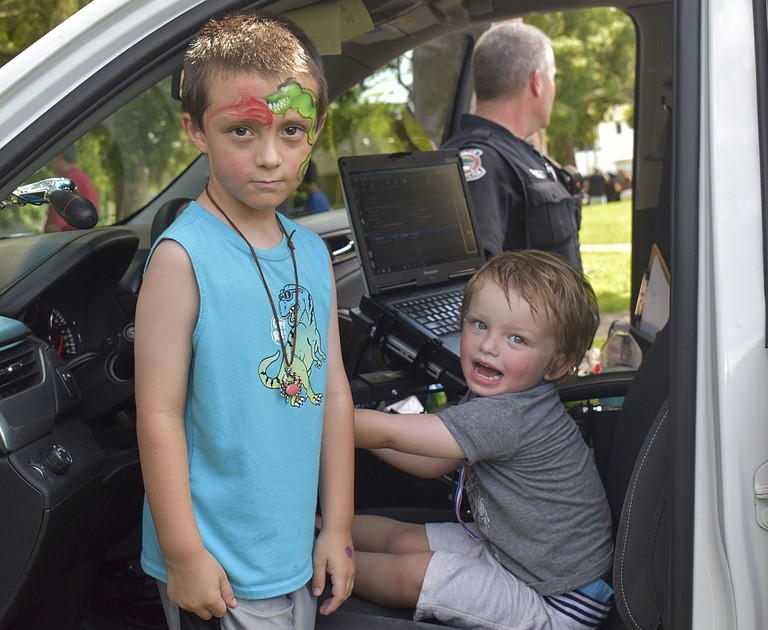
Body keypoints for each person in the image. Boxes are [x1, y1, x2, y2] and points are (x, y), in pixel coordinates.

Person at [134, 11, 355, 629]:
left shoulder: (310, 251)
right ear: (195, 130)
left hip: (291, 549)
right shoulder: (183, 258)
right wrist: (183, 554)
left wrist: (336, 526)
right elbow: (159, 413)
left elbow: (333, 392)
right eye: (241, 131)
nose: (269, 157)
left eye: (291, 131)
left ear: (316, 131)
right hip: (219, 566)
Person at [349, 250, 614, 628]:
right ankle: (317, 526)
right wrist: (363, 434)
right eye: (478, 324)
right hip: (515, 555)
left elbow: (392, 432)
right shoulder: (504, 400)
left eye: (517, 339)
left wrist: (322, 415)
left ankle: (318, 564)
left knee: (413, 573)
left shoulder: (509, 416)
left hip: (559, 600)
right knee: (402, 539)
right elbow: (431, 461)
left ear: (557, 364)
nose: (489, 346)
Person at [441, 23, 584, 270]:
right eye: (553, 77)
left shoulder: (515, 153)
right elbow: (475, 279)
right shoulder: (480, 159)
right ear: (537, 82)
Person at [44, 145, 99, 232]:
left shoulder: (66, 184)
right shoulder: (83, 178)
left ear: (60, 157)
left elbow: (54, 228)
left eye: (53, 158)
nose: (51, 164)